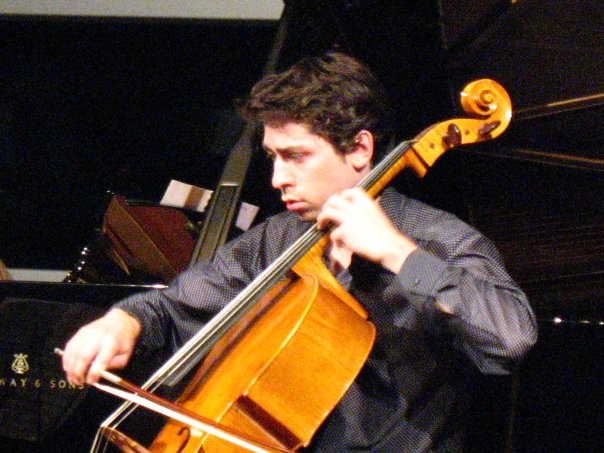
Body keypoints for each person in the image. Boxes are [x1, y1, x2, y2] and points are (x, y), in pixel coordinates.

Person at [62, 51, 537, 452]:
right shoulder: (279, 238)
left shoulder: (437, 238)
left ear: (360, 150)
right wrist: (124, 321)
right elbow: (174, 307)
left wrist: (398, 253)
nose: (277, 179)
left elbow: (511, 339)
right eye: (274, 157)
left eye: (296, 156)